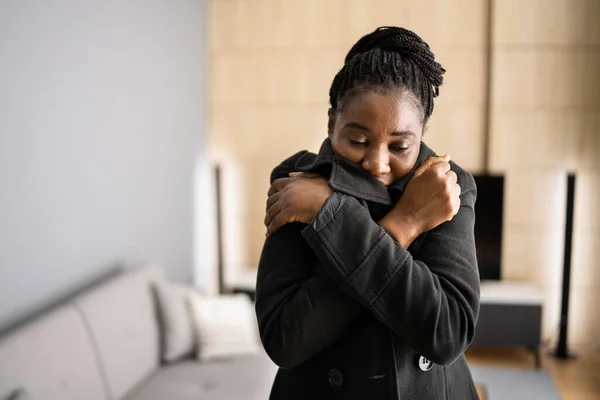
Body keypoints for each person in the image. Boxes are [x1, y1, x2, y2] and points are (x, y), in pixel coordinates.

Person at [254, 26, 480, 400]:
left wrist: (332, 214)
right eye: (358, 140)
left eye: (400, 146)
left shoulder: (445, 187)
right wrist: (401, 226)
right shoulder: (297, 180)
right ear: (331, 123)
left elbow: (447, 332)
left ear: (421, 134)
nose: (377, 162)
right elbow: (284, 339)